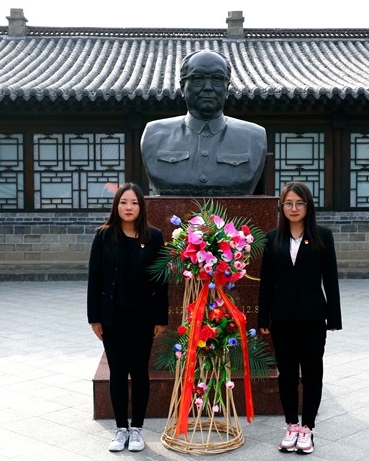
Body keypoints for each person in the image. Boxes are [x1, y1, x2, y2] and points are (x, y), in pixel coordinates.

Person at [258, 181, 342, 455]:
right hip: (282, 318)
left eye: (299, 203)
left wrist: (333, 318)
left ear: (308, 206)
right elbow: (266, 282)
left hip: (313, 317)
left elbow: (330, 278)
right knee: (287, 374)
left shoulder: (322, 236)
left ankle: (307, 428)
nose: (293, 208)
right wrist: (263, 319)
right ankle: (291, 425)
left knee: (312, 373)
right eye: (288, 203)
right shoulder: (273, 237)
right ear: (282, 206)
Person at [87, 183, 169, 452]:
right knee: (118, 372)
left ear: (141, 206)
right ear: (116, 206)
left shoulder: (154, 236)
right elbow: (94, 279)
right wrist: (94, 318)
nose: (129, 207)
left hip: (143, 317)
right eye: (123, 202)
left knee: (140, 371)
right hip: (112, 317)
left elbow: (162, 280)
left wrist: (161, 318)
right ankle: (121, 428)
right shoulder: (103, 236)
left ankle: (137, 429)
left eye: (134, 202)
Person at [140, 49, 267, 196]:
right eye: (198, 79)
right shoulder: (154, 135)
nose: (208, 87)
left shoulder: (254, 137)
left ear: (227, 88)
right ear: (183, 87)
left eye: (217, 79)